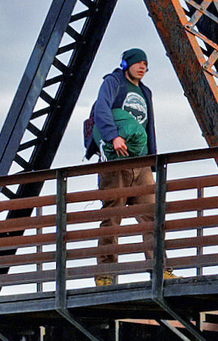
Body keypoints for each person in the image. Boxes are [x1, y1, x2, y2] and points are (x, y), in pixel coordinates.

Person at [87, 47, 158, 284]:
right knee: (111, 218)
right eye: (138, 63)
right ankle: (105, 274)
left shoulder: (145, 91)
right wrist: (113, 136)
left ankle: (159, 270)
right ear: (126, 64)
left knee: (151, 217)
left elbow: (148, 127)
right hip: (115, 162)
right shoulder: (113, 82)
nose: (142, 67)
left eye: (145, 64)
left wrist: (152, 158)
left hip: (141, 163)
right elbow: (101, 109)